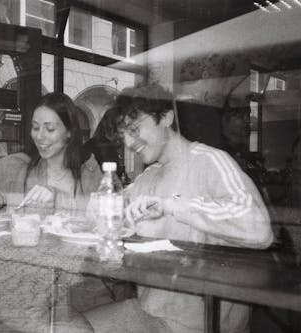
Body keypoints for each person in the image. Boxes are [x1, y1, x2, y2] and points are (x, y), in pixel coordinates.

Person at [80, 83, 274, 333]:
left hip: (202, 325)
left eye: (134, 129)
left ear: (167, 118)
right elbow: (105, 216)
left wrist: (173, 205)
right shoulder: (148, 178)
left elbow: (259, 229)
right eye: (124, 134)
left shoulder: (210, 161)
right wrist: (99, 212)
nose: (128, 142)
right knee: (63, 326)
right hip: (150, 314)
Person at [0, 92, 103, 333]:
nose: (40, 136)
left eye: (49, 128)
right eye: (35, 128)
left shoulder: (89, 173)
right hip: (22, 288)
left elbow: (102, 219)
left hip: (75, 288)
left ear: (69, 132)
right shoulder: (17, 167)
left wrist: (58, 197)